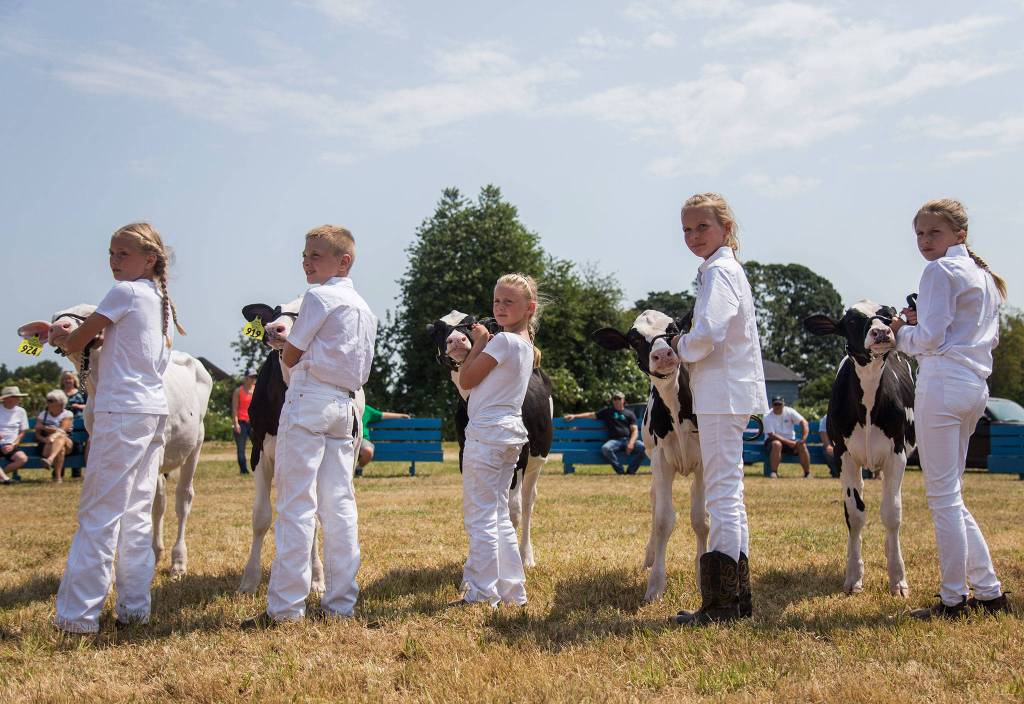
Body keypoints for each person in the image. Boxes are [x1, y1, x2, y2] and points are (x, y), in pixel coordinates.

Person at [48, 222, 185, 634]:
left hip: (120, 410)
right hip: (152, 410)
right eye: (111, 253)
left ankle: (78, 617)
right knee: (137, 512)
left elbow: (76, 342)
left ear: (150, 259)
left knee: (99, 512)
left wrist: (65, 337)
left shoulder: (123, 292)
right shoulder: (159, 300)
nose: (113, 261)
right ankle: (135, 608)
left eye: (122, 254)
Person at [243, 225, 376, 628]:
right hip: (345, 406)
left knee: (297, 504)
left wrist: (289, 354)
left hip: (309, 401)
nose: (306, 261)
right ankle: (340, 603)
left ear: (343, 261)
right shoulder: (366, 310)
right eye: (305, 254)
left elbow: (291, 354)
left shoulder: (318, 297)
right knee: (340, 505)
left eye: (316, 255)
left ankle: (285, 609)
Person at [890, 198, 1011, 619]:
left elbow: (930, 339)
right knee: (951, 495)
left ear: (959, 234)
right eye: (920, 234)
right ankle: (990, 591)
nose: (925, 241)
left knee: (942, 497)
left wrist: (899, 334)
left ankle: (953, 599)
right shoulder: (981, 276)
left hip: (943, 382)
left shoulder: (939, 270)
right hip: (975, 386)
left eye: (933, 233)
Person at [671, 192, 769, 625]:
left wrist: (680, 346)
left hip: (720, 394)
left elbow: (708, 332)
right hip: (729, 393)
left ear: (726, 228)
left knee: (723, 495)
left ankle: (723, 605)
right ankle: (737, 598)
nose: (693, 236)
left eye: (702, 227)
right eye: (687, 229)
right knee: (730, 493)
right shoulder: (724, 270)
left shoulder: (720, 272)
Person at [455, 272, 543, 608]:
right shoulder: (525, 346)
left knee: (481, 516)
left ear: (528, 308)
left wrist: (478, 342)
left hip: (487, 435)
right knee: (498, 514)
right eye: (496, 301)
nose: (500, 307)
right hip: (509, 435)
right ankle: (512, 590)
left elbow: (467, 378)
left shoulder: (503, 342)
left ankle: (481, 592)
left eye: (509, 302)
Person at [564, 391, 646, 475]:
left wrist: (631, 443)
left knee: (645, 448)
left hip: (628, 440)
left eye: (619, 399)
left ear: (623, 400)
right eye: (615, 399)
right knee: (605, 449)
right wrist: (574, 416)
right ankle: (620, 471)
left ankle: (631, 471)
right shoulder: (607, 412)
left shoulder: (629, 414)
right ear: (613, 401)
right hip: (615, 441)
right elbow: (591, 415)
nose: (617, 400)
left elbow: (634, 430)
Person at [355, 404, 411, 477]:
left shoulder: (366, 409)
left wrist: (401, 415)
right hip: (344, 438)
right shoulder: (343, 406)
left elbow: (382, 415)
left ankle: (358, 468)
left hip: (362, 438)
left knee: (368, 451)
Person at [763, 397, 811, 478]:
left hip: (790, 441)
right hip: (772, 441)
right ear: (772, 405)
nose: (777, 406)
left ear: (783, 404)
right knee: (777, 444)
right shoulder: (767, 415)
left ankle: (807, 473)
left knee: (802, 445)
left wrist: (803, 439)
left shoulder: (789, 411)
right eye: (775, 404)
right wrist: (790, 443)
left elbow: (804, 422)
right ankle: (774, 472)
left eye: (779, 404)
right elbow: (771, 435)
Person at [36, 389, 74, 482]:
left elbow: (63, 429)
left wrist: (47, 429)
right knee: (61, 449)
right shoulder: (43, 415)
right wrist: (45, 439)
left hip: (67, 442)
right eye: (48, 400)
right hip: (47, 444)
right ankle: (57, 477)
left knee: (61, 436)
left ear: (60, 403)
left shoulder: (67, 414)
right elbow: (37, 433)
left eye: (51, 401)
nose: (48, 403)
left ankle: (50, 460)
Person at [0, 386, 30, 485]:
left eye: (19, 397)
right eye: (16, 397)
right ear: (6, 398)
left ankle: (3, 476)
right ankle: (5, 479)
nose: (19, 399)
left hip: (11, 445)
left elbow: (22, 432)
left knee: (22, 458)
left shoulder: (21, 411)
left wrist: (12, 445)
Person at [232, 371, 257, 475]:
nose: (253, 379)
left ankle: (257, 468)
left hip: (254, 422)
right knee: (241, 448)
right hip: (241, 422)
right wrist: (236, 423)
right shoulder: (238, 391)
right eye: (251, 377)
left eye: (254, 377)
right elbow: (234, 408)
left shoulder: (257, 389)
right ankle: (244, 470)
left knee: (257, 447)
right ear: (245, 378)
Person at [818, 414, 841, 478]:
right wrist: (828, 446)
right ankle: (838, 473)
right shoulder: (827, 417)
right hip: (833, 442)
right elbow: (823, 432)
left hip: (847, 442)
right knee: (827, 451)